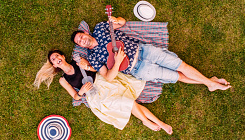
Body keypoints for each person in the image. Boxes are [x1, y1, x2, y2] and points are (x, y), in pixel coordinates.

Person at [71, 17, 231, 90]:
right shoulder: (92, 57)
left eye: (81, 37)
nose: (82, 41)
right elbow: (108, 77)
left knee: (182, 65)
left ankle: (210, 83)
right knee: (179, 76)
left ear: (85, 33)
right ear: (81, 45)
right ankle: (210, 83)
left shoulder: (100, 28)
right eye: (79, 42)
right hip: (138, 70)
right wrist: (118, 62)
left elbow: (122, 22)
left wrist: (119, 20)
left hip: (145, 51)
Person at [34, 50, 173, 134]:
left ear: (63, 56)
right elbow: (75, 97)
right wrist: (81, 91)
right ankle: (153, 122)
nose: (56, 59)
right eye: (53, 60)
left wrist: (86, 66)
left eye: (57, 56)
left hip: (103, 82)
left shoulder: (77, 61)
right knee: (129, 103)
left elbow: (95, 69)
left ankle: (155, 122)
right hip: (96, 95)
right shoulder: (63, 80)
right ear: (54, 65)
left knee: (130, 103)